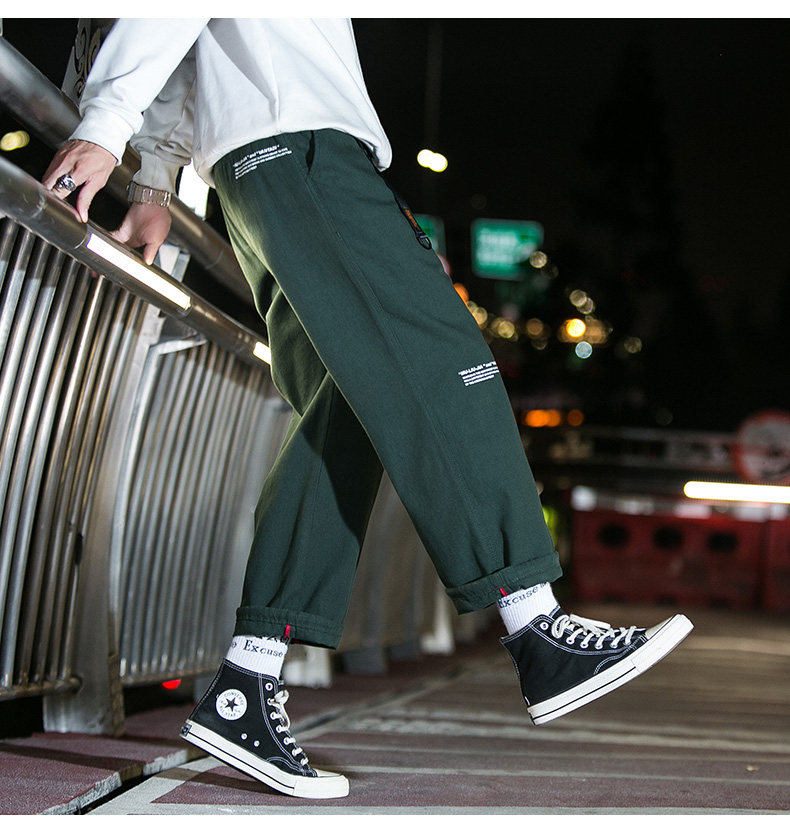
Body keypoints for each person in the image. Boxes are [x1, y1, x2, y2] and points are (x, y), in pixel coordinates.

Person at [43, 18, 693, 800]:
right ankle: (533, 623)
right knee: (447, 363)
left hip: (283, 164)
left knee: (346, 409)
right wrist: (110, 128)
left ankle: (246, 682)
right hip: (299, 152)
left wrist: (153, 179)